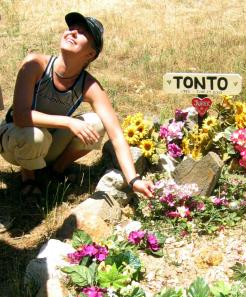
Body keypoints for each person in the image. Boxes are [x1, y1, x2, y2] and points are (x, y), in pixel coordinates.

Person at [0, 12, 153, 199]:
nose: (72, 33)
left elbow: (116, 134)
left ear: (91, 54)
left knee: (97, 122)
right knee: (35, 136)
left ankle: (56, 170)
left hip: (48, 142)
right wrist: (69, 122)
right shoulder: (34, 63)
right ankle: (28, 175)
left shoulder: (89, 85)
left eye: (81, 33)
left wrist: (133, 180)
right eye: (71, 28)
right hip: (14, 139)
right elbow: (21, 117)